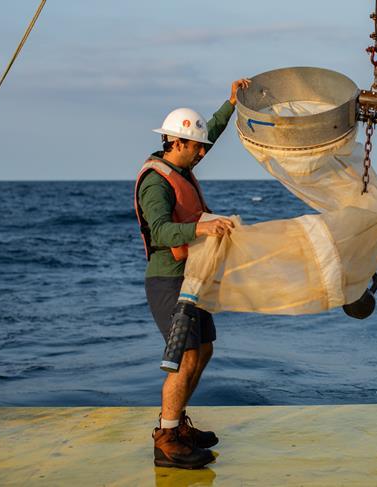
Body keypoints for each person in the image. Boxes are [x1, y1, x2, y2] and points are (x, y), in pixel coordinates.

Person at [134, 78, 250, 469]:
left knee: (203, 349)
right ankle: (166, 438)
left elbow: (210, 133)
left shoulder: (183, 164)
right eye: (196, 146)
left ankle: (178, 423)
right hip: (168, 280)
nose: (202, 152)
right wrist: (201, 228)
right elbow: (161, 230)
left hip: (193, 278)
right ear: (176, 143)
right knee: (185, 355)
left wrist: (231, 103)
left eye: (203, 147)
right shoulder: (156, 181)